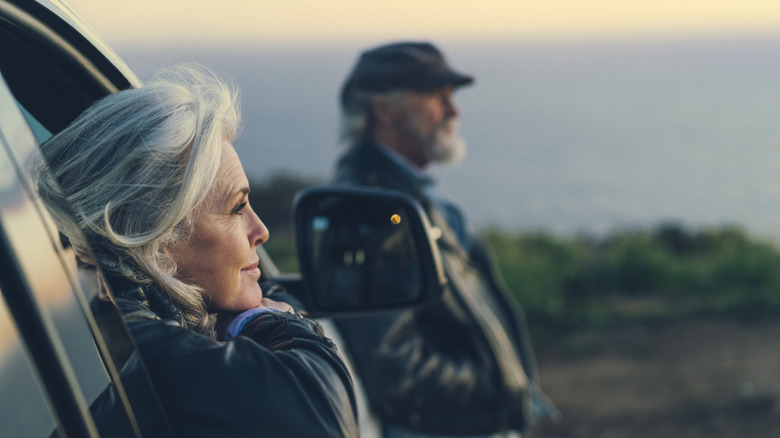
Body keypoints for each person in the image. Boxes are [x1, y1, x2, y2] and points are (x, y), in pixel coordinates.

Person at [34, 64, 358, 438]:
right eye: (237, 208)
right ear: (158, 245)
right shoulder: (158, 367)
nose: (262, 231)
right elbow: (318, 418)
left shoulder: (90, 333)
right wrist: (273, 323)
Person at [332, 41, 559, 437]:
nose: (454, 110)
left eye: (451, 97)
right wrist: (494, 381)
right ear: (383, 109)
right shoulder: (366, 212)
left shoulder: (407, 197)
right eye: (438, 97)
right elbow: (392, 367)